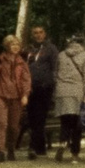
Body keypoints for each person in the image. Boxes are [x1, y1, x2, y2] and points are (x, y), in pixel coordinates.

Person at [0, 34, 31, 161]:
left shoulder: (22, 63)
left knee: (14, 127)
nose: (15, 47)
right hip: (0, 95)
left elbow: (26, 80)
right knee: (1, 123)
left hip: (16, 97)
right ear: (7, 46)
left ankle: (11, 148)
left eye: (17, 44)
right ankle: (0, 151)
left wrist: (25, 95)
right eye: (12, 44)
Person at [51, 32, 85, 161]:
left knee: (65, 121)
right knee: (76, 123)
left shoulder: (61, 55)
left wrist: (58, 87)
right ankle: (75, 153)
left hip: (62, 91)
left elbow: (55, 73)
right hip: (77, 91)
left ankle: (62, 143)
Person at [23, 26, 57, 159]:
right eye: (35, 33)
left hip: (44, 87)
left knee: (40, 116)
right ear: (32, 35)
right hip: (30, 87)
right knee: (32, 116)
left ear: (45, 34)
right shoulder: (28, 49)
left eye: (41, 32)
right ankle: (40, 147)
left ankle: (33, 147)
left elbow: (55, 68)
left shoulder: (51, 49)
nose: (38, 35)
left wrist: (53, 85)